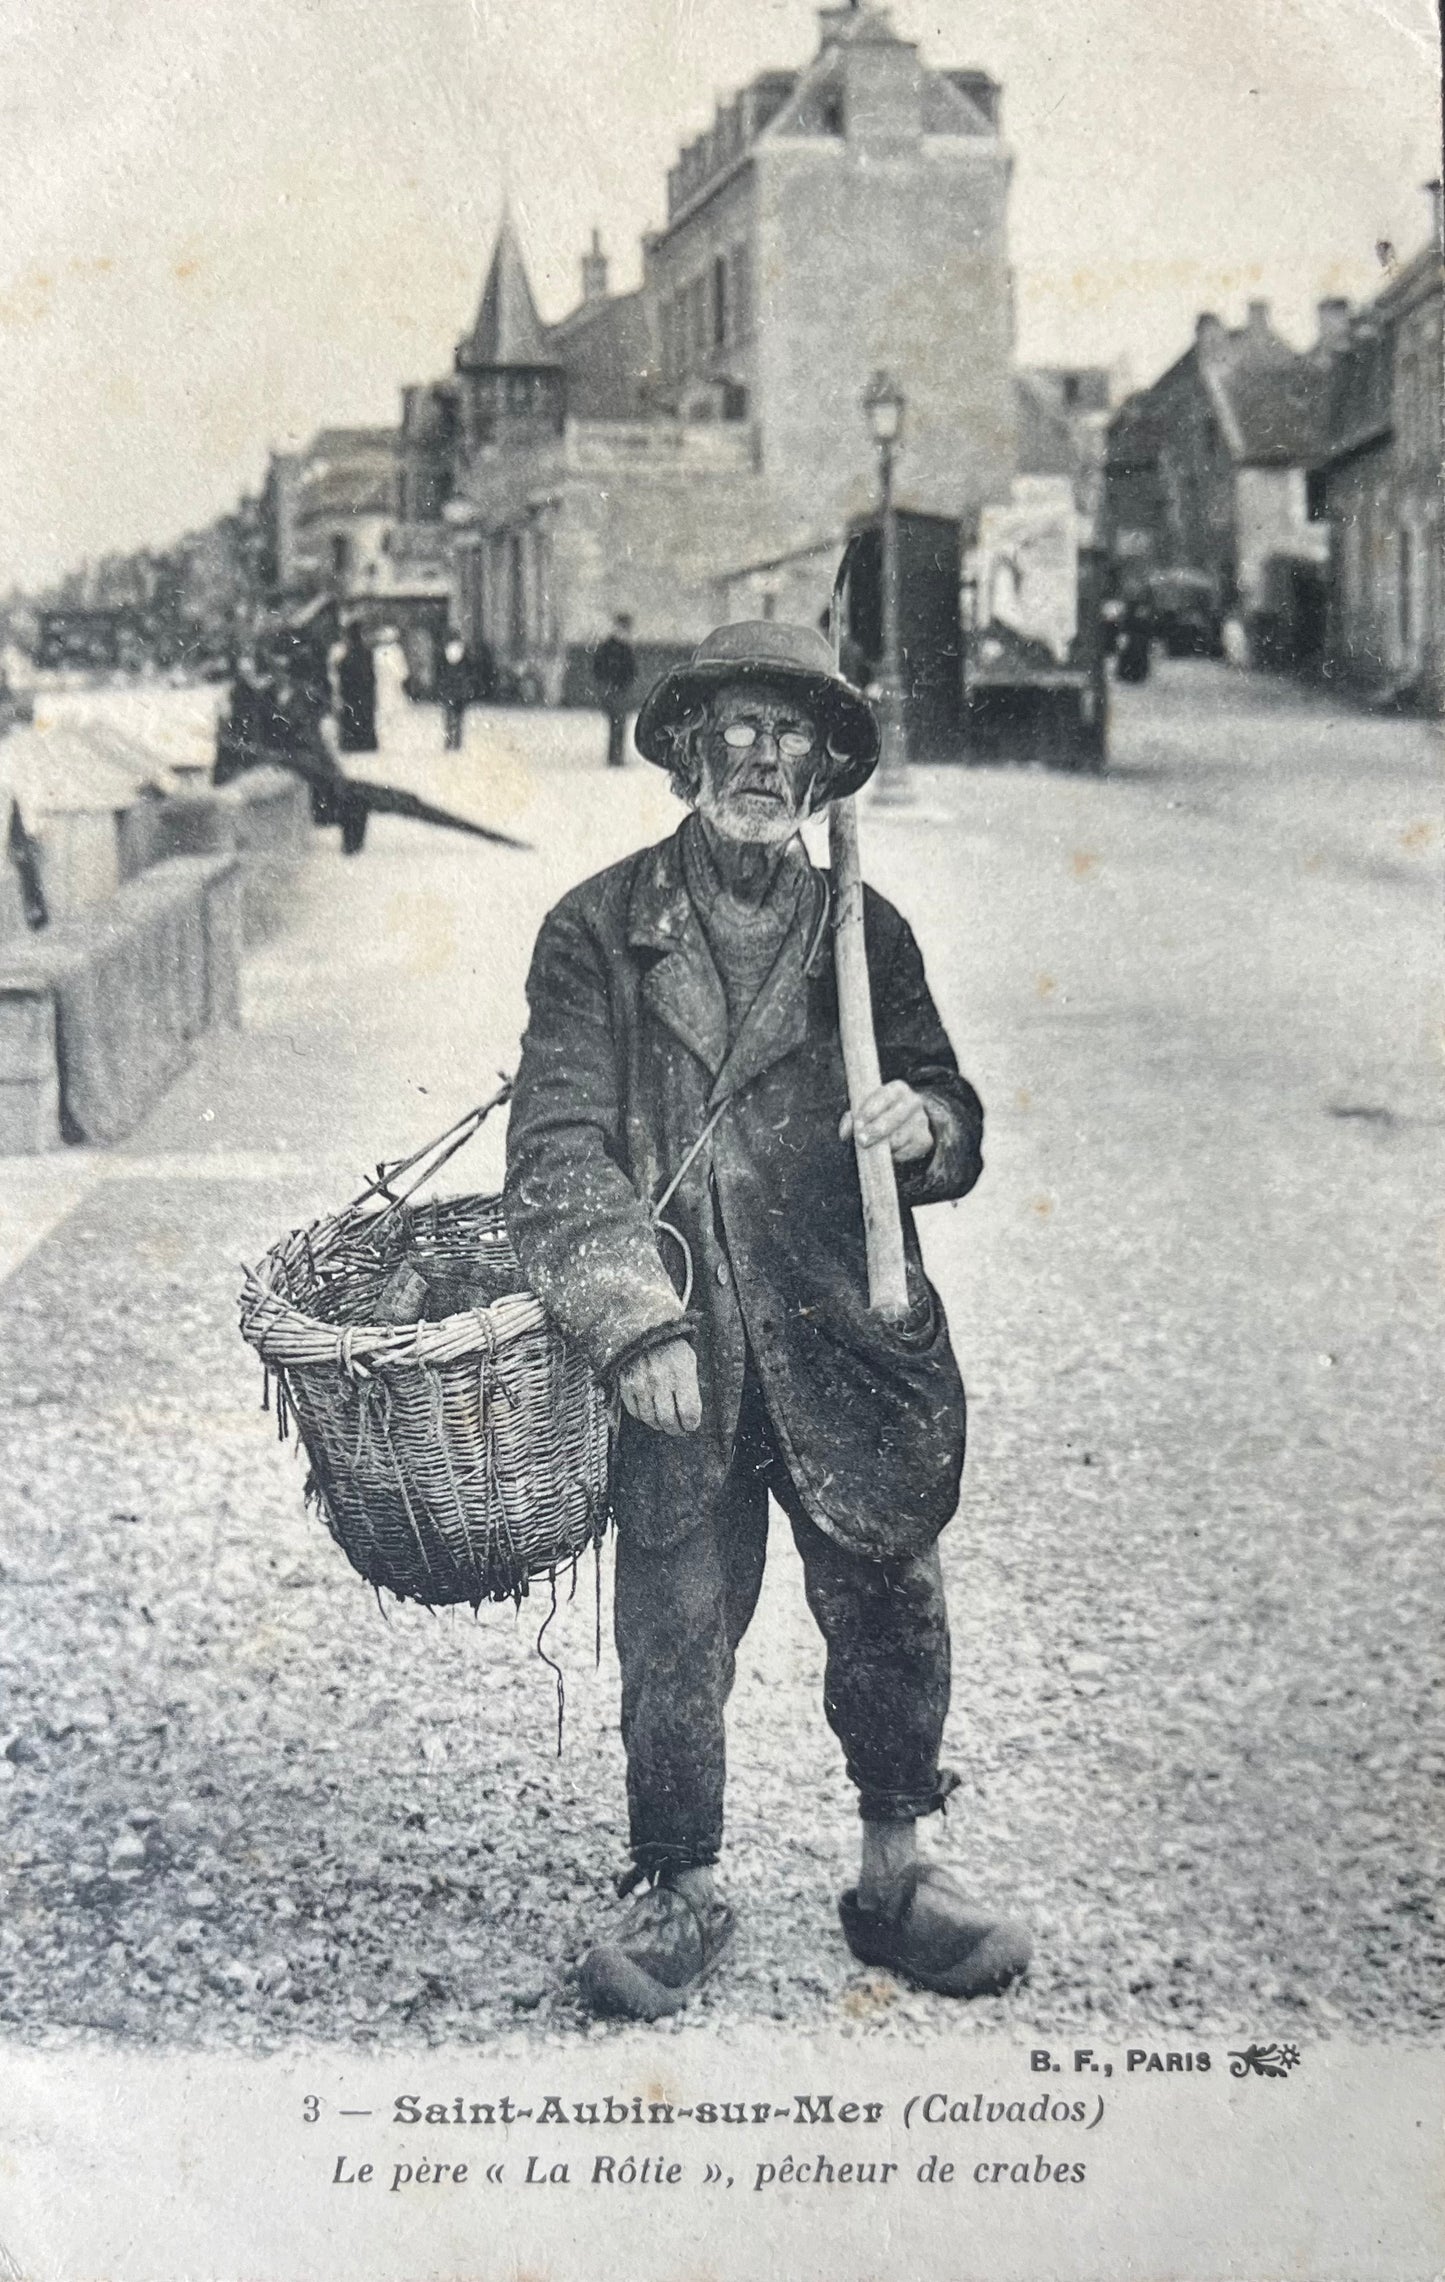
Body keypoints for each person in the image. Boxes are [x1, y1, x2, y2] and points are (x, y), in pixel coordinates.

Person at [504, 620, 1030, 2020]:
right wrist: (634, 1319)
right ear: (683, 749)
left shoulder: (869, 935)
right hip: (689, 1352)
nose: (761, 757)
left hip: (844, 1327)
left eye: (792, 734)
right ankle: (675, 1879)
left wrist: (924, 1125)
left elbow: (951, 1110)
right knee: (674, 1613)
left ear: (823, 769)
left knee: (891, 1596)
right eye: (736, 727)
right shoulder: (598, 933)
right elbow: (557, 1152)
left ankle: (896, 1864)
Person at [591, 613, 638, 768]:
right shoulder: (617, 647)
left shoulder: (616, 646)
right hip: (615, 689)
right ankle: (615, 756)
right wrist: (610, 682)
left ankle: (615, 756)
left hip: (618, 688)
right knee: (618, 722)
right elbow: (600, 667)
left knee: (618, 723)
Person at [335, 622, 378, 754]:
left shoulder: (349, 654)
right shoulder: (366, 653)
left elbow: (343, 671)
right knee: (363, 715)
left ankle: (354, 742)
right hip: (363, 691)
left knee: (354, 715)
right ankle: (365, 741)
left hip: (352, 692)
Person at [438, 636, 472, 751]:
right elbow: (467, 677)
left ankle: (448, 741)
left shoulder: (444, 658)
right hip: (459, 693)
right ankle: (456, 742)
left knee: (448, 718)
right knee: (458, 718)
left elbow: (442, 676)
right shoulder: (464, 660)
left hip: (449, 691)